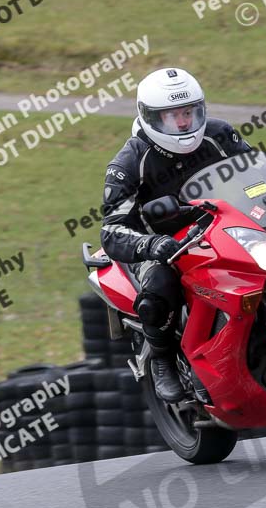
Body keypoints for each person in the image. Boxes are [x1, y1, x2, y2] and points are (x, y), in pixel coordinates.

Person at [100, 68, 251, 402]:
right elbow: (111, 231)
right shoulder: (129, 162)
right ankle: (162, 359)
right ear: (151, 117)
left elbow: (257, 172)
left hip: (222, 227)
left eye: (188, 113)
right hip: (161, 245)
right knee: (160, 287)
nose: (183, 124)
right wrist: (152, 244)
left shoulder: (220, 135)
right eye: (172, 117)